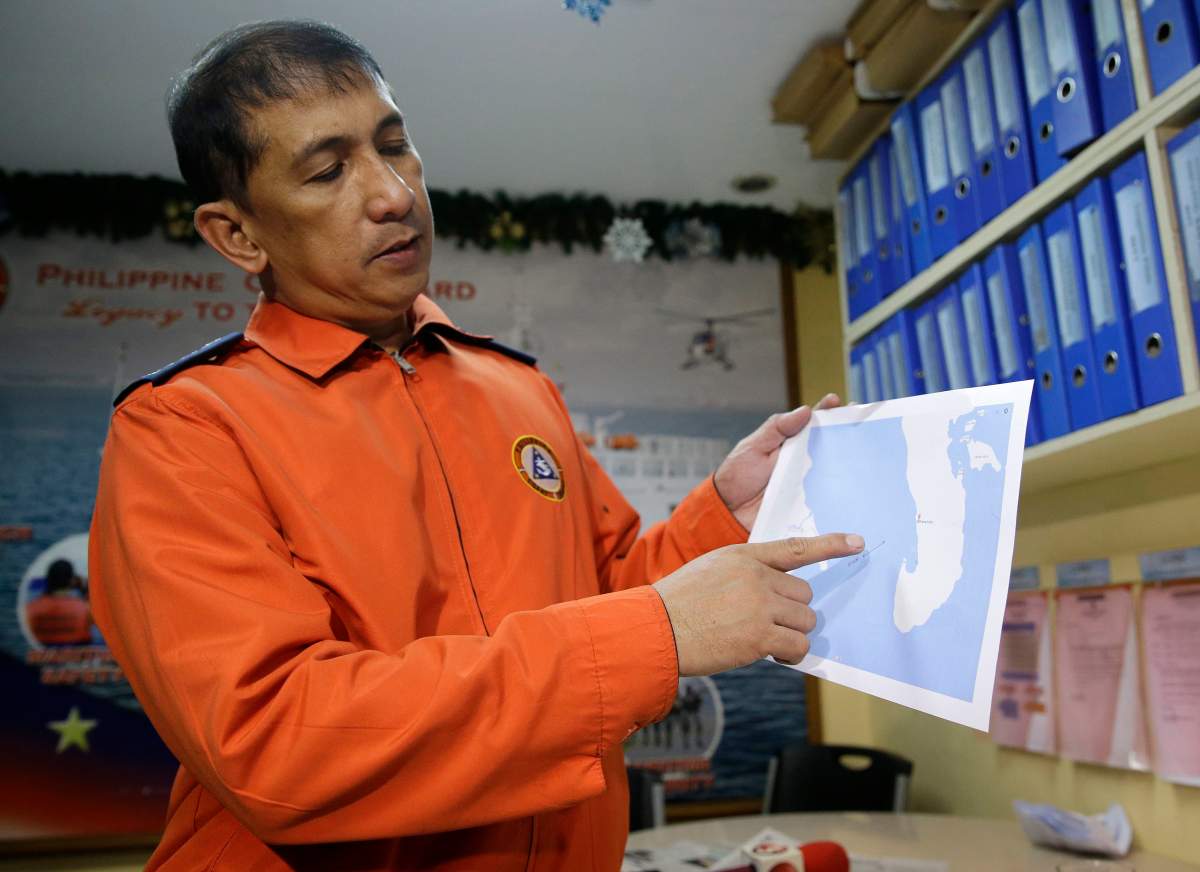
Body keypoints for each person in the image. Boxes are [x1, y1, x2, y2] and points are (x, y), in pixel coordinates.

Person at [88, 20, 861, 872]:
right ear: (238, 235)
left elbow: (610, 592)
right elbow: (277, 740)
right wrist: (655, 633)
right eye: (328, 169)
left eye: (396, 145)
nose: (392, 193)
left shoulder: (517, 387)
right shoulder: (185, 428)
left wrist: (723, 515)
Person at [26, 558, 92, 646]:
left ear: (48, 580)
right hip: (77, 651)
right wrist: (85, 591)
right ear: (71, 581)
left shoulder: (30, 609)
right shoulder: (85, 609)